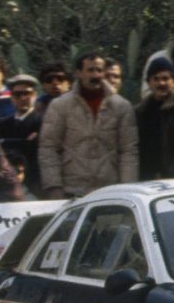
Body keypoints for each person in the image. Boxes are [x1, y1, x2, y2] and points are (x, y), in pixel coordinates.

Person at [39, 52, 138, 197]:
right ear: (78, 73)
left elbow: (128, 150)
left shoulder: (121, 106)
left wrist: (127, 188)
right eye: (90, 70)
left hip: (111, 190)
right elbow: (48, 148)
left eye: (99, 70)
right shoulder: (60, 106)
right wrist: (53, 186)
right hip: (72, 189)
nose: (96, 75)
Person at [0, 74, 43, 193]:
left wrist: (5, 141)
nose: (23, 98)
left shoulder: (42, 121)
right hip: (6, 181)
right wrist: (24, 142)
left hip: (34, 180)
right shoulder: (1, 124)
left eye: (27, 93)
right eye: (18, 94)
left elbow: (35, 147)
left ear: (35, 96)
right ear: (11, 97)